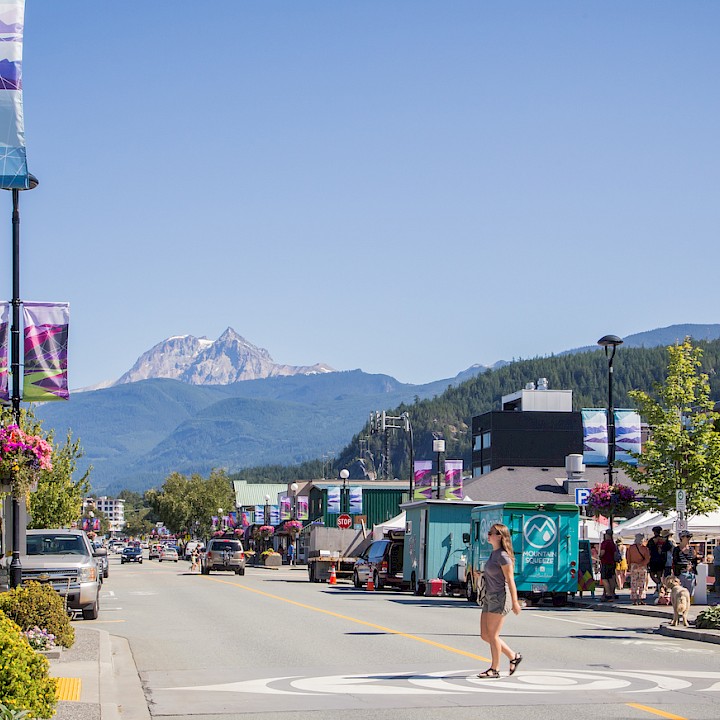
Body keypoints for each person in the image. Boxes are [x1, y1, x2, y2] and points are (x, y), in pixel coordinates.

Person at [475, 523, 522, 679]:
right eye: (489, 533)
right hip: (489, 596)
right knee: (484, 635)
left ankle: (494, 669)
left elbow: (510, 579)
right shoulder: (494, 553)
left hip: (500, 597)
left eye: (491, 533)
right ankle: (513, 656)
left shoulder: (503, 555)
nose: (488, 535)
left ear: (500, 536)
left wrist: (515, 602)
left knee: (493, 635)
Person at [626, 533, 650, 605]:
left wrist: (629, 566)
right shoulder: (645, 548)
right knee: (642, 583)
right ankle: (641, 598)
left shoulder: (631, 548)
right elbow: (647, 559)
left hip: (633, 566)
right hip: (642, 566)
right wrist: (641, 564)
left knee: (634, 583)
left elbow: (628, 558)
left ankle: (634, 599)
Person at [672, 530, 698, 596]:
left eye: (689, 537)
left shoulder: (692, 549)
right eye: (686, 536)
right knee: (680, 594)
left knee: (690, 594)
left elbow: (694, 561)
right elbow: (675, 562)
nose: (688, 538)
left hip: (690, 574)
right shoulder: (676, 549)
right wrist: (685, 565)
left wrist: (692, 567)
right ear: (681, 537)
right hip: (680, 573)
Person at [647, 526, 669, 591]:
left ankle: (659, 585)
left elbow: (648, 549)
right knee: (659, 575)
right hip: (662, 559)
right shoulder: (664, 540)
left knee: (652, 574)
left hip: (653, 559)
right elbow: (667, 548)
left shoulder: (651, 540)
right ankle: (659, 587)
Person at [599, 529, 618, 601]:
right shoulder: (613, 543)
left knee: (604, 578)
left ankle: (608, 594)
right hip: (612, 562)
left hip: (605, 562)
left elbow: (602, 552)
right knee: (611, 578)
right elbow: (615, 553)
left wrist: (600, 556)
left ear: (607, 535)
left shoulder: (605, 543)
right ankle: (612, 593)